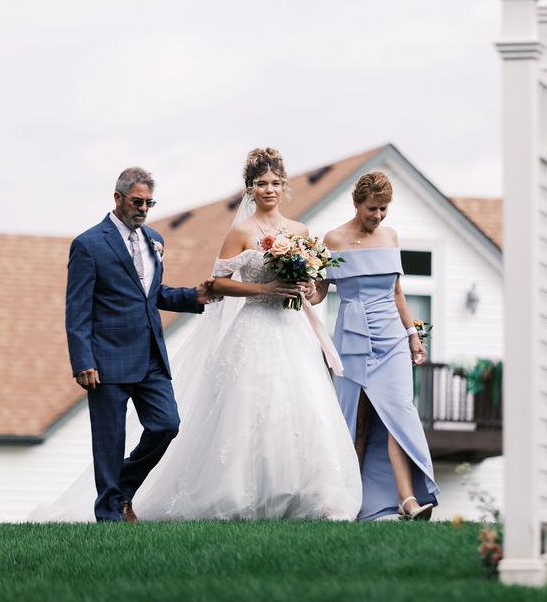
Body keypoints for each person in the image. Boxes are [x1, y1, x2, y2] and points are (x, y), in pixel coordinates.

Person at [127, 148, 361, 520]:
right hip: (253, 325)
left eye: (274, 183)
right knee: (248, 406)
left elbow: (317, 290)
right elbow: (219, 282)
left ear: (285, 187)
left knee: (298, 407)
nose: (268, 189)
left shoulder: (300, 232)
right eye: (260, 184)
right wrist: (265, 290)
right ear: (250, 189)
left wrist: (308, 288)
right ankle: (237, 495)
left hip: (291, 328)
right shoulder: (240, 231)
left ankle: (304, 496)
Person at [65, 166, 215, 522]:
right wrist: (82, 360)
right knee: (109, 442)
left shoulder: (154, 238)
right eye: (137, 201)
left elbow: (152, 294)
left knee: (167, 424)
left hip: (150, 357)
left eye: (149, 202)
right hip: (105, 361)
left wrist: (194, 296)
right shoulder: (88, 244)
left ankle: (124, 489)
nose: (143, 208)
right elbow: (77, 309)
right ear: (118, 199)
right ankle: (109, 515)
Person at [309, 171, 439, 521]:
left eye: (383, 209)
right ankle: (345, 500)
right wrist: (308, 289)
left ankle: (408, 499)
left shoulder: (391, 236)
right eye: (372, 209)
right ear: (356, 203)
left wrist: (412, 334)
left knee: (398, 412)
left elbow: (397, 292)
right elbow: (322, 291)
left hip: (392, 337)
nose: (378, 216)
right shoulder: (333, 238)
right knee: (355, 418)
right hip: (352, 335)